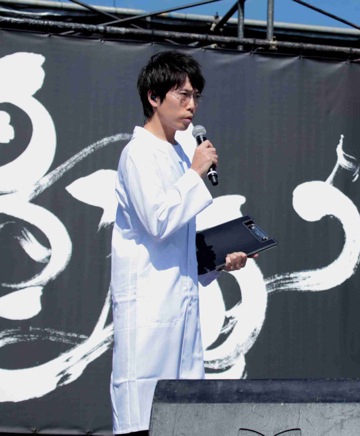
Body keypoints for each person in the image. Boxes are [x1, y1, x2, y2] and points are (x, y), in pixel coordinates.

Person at [110, 50, 249, 435]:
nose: (192, 106)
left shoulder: (177, 154)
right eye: (183, 95)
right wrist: (195, 172)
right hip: (148, 313)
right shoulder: (137, 153)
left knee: (182, 420)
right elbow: (158, 221)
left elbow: (176, 243)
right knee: (145, 419)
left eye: (196, 96)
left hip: (181, 312)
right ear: (154, 97)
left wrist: (219, 261)